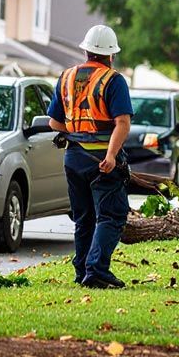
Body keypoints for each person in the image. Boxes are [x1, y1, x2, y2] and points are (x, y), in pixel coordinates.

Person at [47, 24, 133, 289]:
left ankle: (82, 269)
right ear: (111, 55)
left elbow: (54, 122)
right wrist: (110, 155)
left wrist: (78, 131)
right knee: (112, 215)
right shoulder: (113, 80)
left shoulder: (67, 77)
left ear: (85, 51)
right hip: (101, 163)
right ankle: (96, 270)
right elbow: (122, 123)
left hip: (73, 158)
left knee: (84, 217)